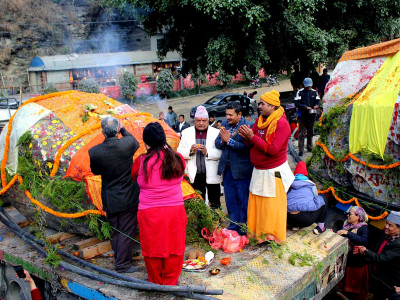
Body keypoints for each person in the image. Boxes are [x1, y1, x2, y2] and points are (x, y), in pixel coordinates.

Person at [132, 122, 187, 285]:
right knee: (175, 247)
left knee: (152, 248)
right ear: (164, 140)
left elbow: (134, 177)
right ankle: (170, 282)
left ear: (146, 143)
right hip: (175, 211)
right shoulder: (178, 158)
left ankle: (156, 282)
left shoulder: (140, 162)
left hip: (149, 213)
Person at [239, 90, 294, 243]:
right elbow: (251, 143)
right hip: (259, 171)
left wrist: (252, 137)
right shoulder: (260, 120)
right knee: (258, 207)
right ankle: (259, 237)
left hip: (273, 172)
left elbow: (273, 150)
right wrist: (246, 137)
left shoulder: (282, 124)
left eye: (263, 104)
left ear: (272, 106)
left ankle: (273, 239)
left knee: (272, 209)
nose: (259, 106)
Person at [89, 116, 140, 273]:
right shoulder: (127, 144)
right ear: (117, 129)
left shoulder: (95, 151)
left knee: (116, 230)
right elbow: (135, 142)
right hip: (127, 196)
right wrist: (123, 129)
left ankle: (119, 260)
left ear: (103, 132)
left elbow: (95, 171)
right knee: (126, 230)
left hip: (109, 197)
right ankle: (123, 265)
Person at [215, 102, 253, 235]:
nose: (227, 117)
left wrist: (229, 141)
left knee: (243, 200)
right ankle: (233, 225)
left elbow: (247, 148)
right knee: (230, 199)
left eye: (230, 115)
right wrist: (223, 141)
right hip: (228, 169)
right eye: (226, 114)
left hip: (243, 170)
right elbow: (217, 143)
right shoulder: (225, 124)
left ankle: (243, 227)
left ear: (239, 114)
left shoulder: (249, 126)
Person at [177, 106, 222, 209]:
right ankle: (201, 225)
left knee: (215, 202)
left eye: (204, 120)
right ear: (194, 120)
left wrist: (207, 152)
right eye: (198, 120)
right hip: (195, 174)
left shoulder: (216, 133)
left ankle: (217, 222)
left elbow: (221, 153)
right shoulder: (186, 132)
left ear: (208, 120)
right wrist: (190, 151)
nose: (201, 123)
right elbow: (179, 152)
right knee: (198, 203)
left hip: (212, 173)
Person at [357, 211, 400, 300]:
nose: (386, 227)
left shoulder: (398, 244)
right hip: (378, 276)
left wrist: (365, 252)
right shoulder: (386, 235)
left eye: (390, 225)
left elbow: (382, 258)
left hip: (388, 282)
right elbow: (376, 250)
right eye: (386, 223)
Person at [337, 206, 369, 300]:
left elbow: (363, 240)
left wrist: (347, 233)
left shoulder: (364, 228)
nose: (348, 216)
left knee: (355, 289)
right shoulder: (347, 225)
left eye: (350, 214)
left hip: (356, 263)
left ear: (358, 216)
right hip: (348, 259)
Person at [286, 161, 327, 235]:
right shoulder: (311, 185)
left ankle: (294, 226)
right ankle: (321, 227)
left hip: (287, 219)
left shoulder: (289, 184)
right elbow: (316, 199)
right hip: (304, 220)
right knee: (322, 198)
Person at [294, 77, 320, 156]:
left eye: (310, 86)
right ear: (304, 85)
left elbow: (318, 100)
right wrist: (305, 107)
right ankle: (301, 149)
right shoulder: (300, 92)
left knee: (310, 131)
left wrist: (317, 105)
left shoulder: (314, 92)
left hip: (312, 113)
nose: (309, 87)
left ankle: (309, 147)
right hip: (302, 115)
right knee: (302, 133)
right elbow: (296, 103)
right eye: (307, 86)